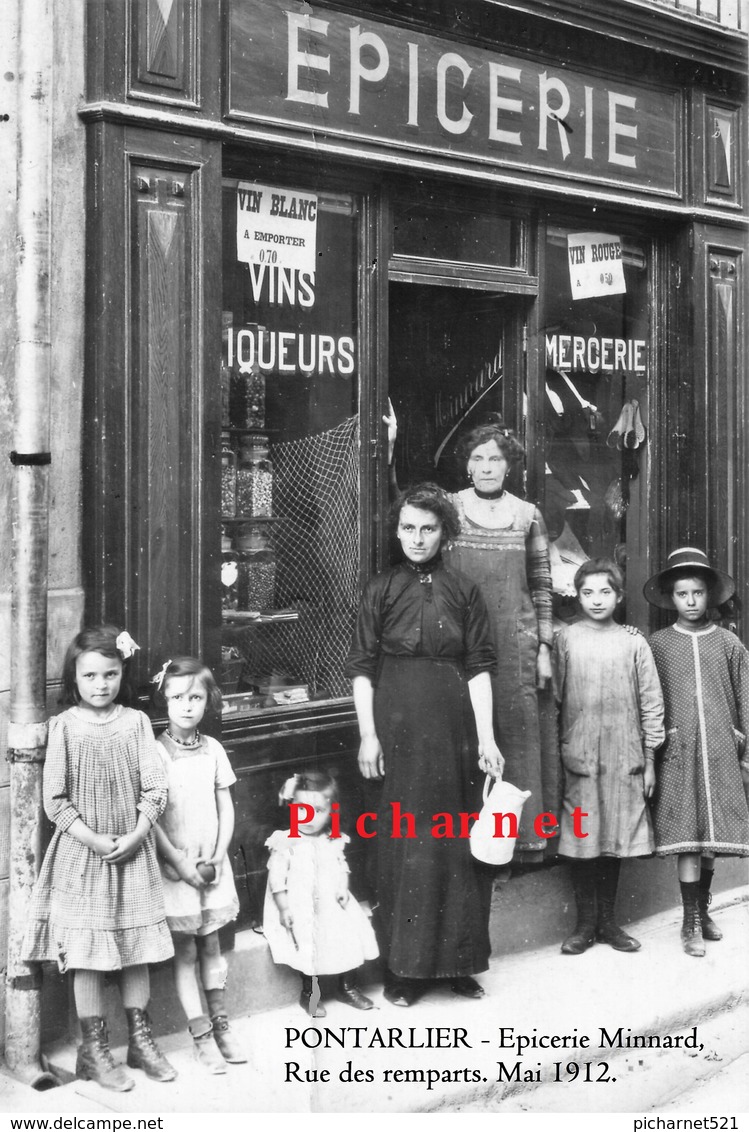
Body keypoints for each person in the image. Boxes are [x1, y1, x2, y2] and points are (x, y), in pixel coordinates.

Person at [347, 483, 504, 1006]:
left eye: (429, 528)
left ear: (445, 533)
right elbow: (363, 671)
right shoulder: (381, 589)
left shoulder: (464, 591)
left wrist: (486, 739)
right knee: (404, 845)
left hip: (455, 731)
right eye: (409, 528)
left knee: (456, 843)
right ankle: (404, 971)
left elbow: (479, 668)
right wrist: (369, 735)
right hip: (397, 729)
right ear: (396, 531)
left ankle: (459, 963)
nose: (418, 538)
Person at [386, 406, 554, 857]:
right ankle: (468, 844)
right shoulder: (450, 508)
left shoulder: (527, 514)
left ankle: (516, 846)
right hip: (460, 647)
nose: (485, 467)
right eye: (478, 458)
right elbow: (404, 510)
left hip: (514, 647)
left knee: (513, 739)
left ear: (509, 465)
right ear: (466, 463)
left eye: (495, 459)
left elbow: (541, 585)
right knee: (465, 740)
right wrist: (388, 452)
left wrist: (543, 646)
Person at [23, 626, 176, 1092]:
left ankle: (141, 1040)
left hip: (132, 854)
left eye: (110, 674)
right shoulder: (64, 727)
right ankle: (93, 1049)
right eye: (90, 675)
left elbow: (155, 788)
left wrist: (137, 834)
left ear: (121, 673)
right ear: (74, 676)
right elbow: (55, 801)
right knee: (88, 955)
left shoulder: (135, 724)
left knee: (136, 950)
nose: (101, 684)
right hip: (84, 859)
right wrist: (93, 838)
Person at [552, 559, 665, 955]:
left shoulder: (634, 642)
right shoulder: (565, 639)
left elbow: (652, 705)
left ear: (619, 596)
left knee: (614, 837)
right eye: (587, 592)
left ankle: (608, 922)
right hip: (579, 754)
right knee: (584, 835)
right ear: (577, 595)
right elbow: (555, 699)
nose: (596, 600)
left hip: (624, 756)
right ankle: (583, 925)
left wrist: (649, 758)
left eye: (605, 592)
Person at [644, 547, 749, 957]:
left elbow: (745, 695)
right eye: (683, 593)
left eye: (698, 593)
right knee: (687, 835)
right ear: (671, 598)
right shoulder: (658, 645)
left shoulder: (728, 643)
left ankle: (703, 910)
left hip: (721, 747)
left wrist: (743, 740)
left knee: (711, 836)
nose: (691, 601)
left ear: (711, 596)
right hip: (679, 751)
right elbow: (649, 697)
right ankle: (688, 920)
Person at [150, 657, 244, 1072]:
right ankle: (200, 1032)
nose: (186, 706)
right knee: (186, 951)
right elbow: (149, 817)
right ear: (163, 700)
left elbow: (226, 806)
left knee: (212, 944)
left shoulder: (214, 750)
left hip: (211, 866)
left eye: (196, 697)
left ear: (209, 701)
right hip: (177, 870)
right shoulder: (154, 752)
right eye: (177, 697)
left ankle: (222, 1023)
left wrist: (220, 855)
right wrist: (178, 863)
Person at [263, 769, 379, 1018]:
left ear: (332, 812)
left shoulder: (333, 838)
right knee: (309, 947)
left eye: (320, 811)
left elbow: (341, 865)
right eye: (302, 810)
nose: (310, 818)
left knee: (349, 938)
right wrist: (284, 908)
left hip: (332, 905)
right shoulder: (286, 841)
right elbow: (277, 879)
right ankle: (310, 993)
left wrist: (342, 887)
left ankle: (347, 987)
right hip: (301, 907)